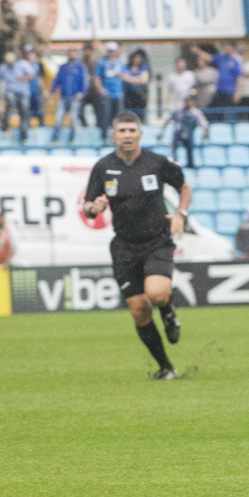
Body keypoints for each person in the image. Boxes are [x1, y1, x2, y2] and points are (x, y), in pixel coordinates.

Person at [82, 111, 191, 380]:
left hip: (157, 241)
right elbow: (87, 205)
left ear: (140, 133)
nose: (127, 135)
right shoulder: (103, 167)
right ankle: (166, 368)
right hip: (124, 246)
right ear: (114, 135)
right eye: (122, 131)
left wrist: (180, 214)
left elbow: (184, 188)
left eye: (132, 130)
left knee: (156, 294)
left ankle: (168, 311)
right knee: (139, 311)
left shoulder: (156, 162)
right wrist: (93, 208)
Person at [50, 47, 89, 144]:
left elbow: (85, 81)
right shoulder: (63, 67)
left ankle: (71, 139)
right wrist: (52, 92)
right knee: (58, 119)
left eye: (73, 52)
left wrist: (82, 93)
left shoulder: (80, 67)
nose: (71, 54)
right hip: (63, 97)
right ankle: (55, 139)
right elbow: (57, 80)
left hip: (75, 97)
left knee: (73, 120)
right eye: (69, 52)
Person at [161, 93, 209, 169]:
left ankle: (190, 165)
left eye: (189, 102)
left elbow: (204, 124)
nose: (188, 104)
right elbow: (168, 120)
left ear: (193, 102)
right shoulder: (178, 112)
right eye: (186, 101)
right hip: (178, 133)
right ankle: (174, 164)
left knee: (190, 149)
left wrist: (205, 134)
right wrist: (162, 132)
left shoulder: (196, 113)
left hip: (189, 135)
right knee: (174, 148)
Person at [94, 42, 125, 131]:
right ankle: (104, 136)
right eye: (110, 51)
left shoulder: (120, 63)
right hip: (107, 94)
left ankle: (117, 135)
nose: (112, 53)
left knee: (118, 117)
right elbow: (97, 78)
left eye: (113, 51)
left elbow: (125, 76)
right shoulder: (102, 63)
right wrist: (100, 89)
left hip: (118, 94)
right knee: (105, 116)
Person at [210, 41, 243, 119]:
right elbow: (209, 57)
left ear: (231, 47)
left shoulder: (235, 61)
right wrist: (198, 51)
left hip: (230, 91)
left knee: (230, 113)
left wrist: (238, 92)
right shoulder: (221, 58)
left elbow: (239, 78)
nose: (225, 48)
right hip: (220, 90)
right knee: (218, 112)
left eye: (227, 46)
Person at [121, 50, 150, 121]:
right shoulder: (127, 67)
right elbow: (124, 78)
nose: (136, 60)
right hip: (129, 95)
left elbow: (144, 80)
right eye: (135, 58)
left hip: (140, 95)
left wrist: (130, 79)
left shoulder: (143, 67)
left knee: (140, 115)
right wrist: (138, 79)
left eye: (138, 58)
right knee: (128, 114)